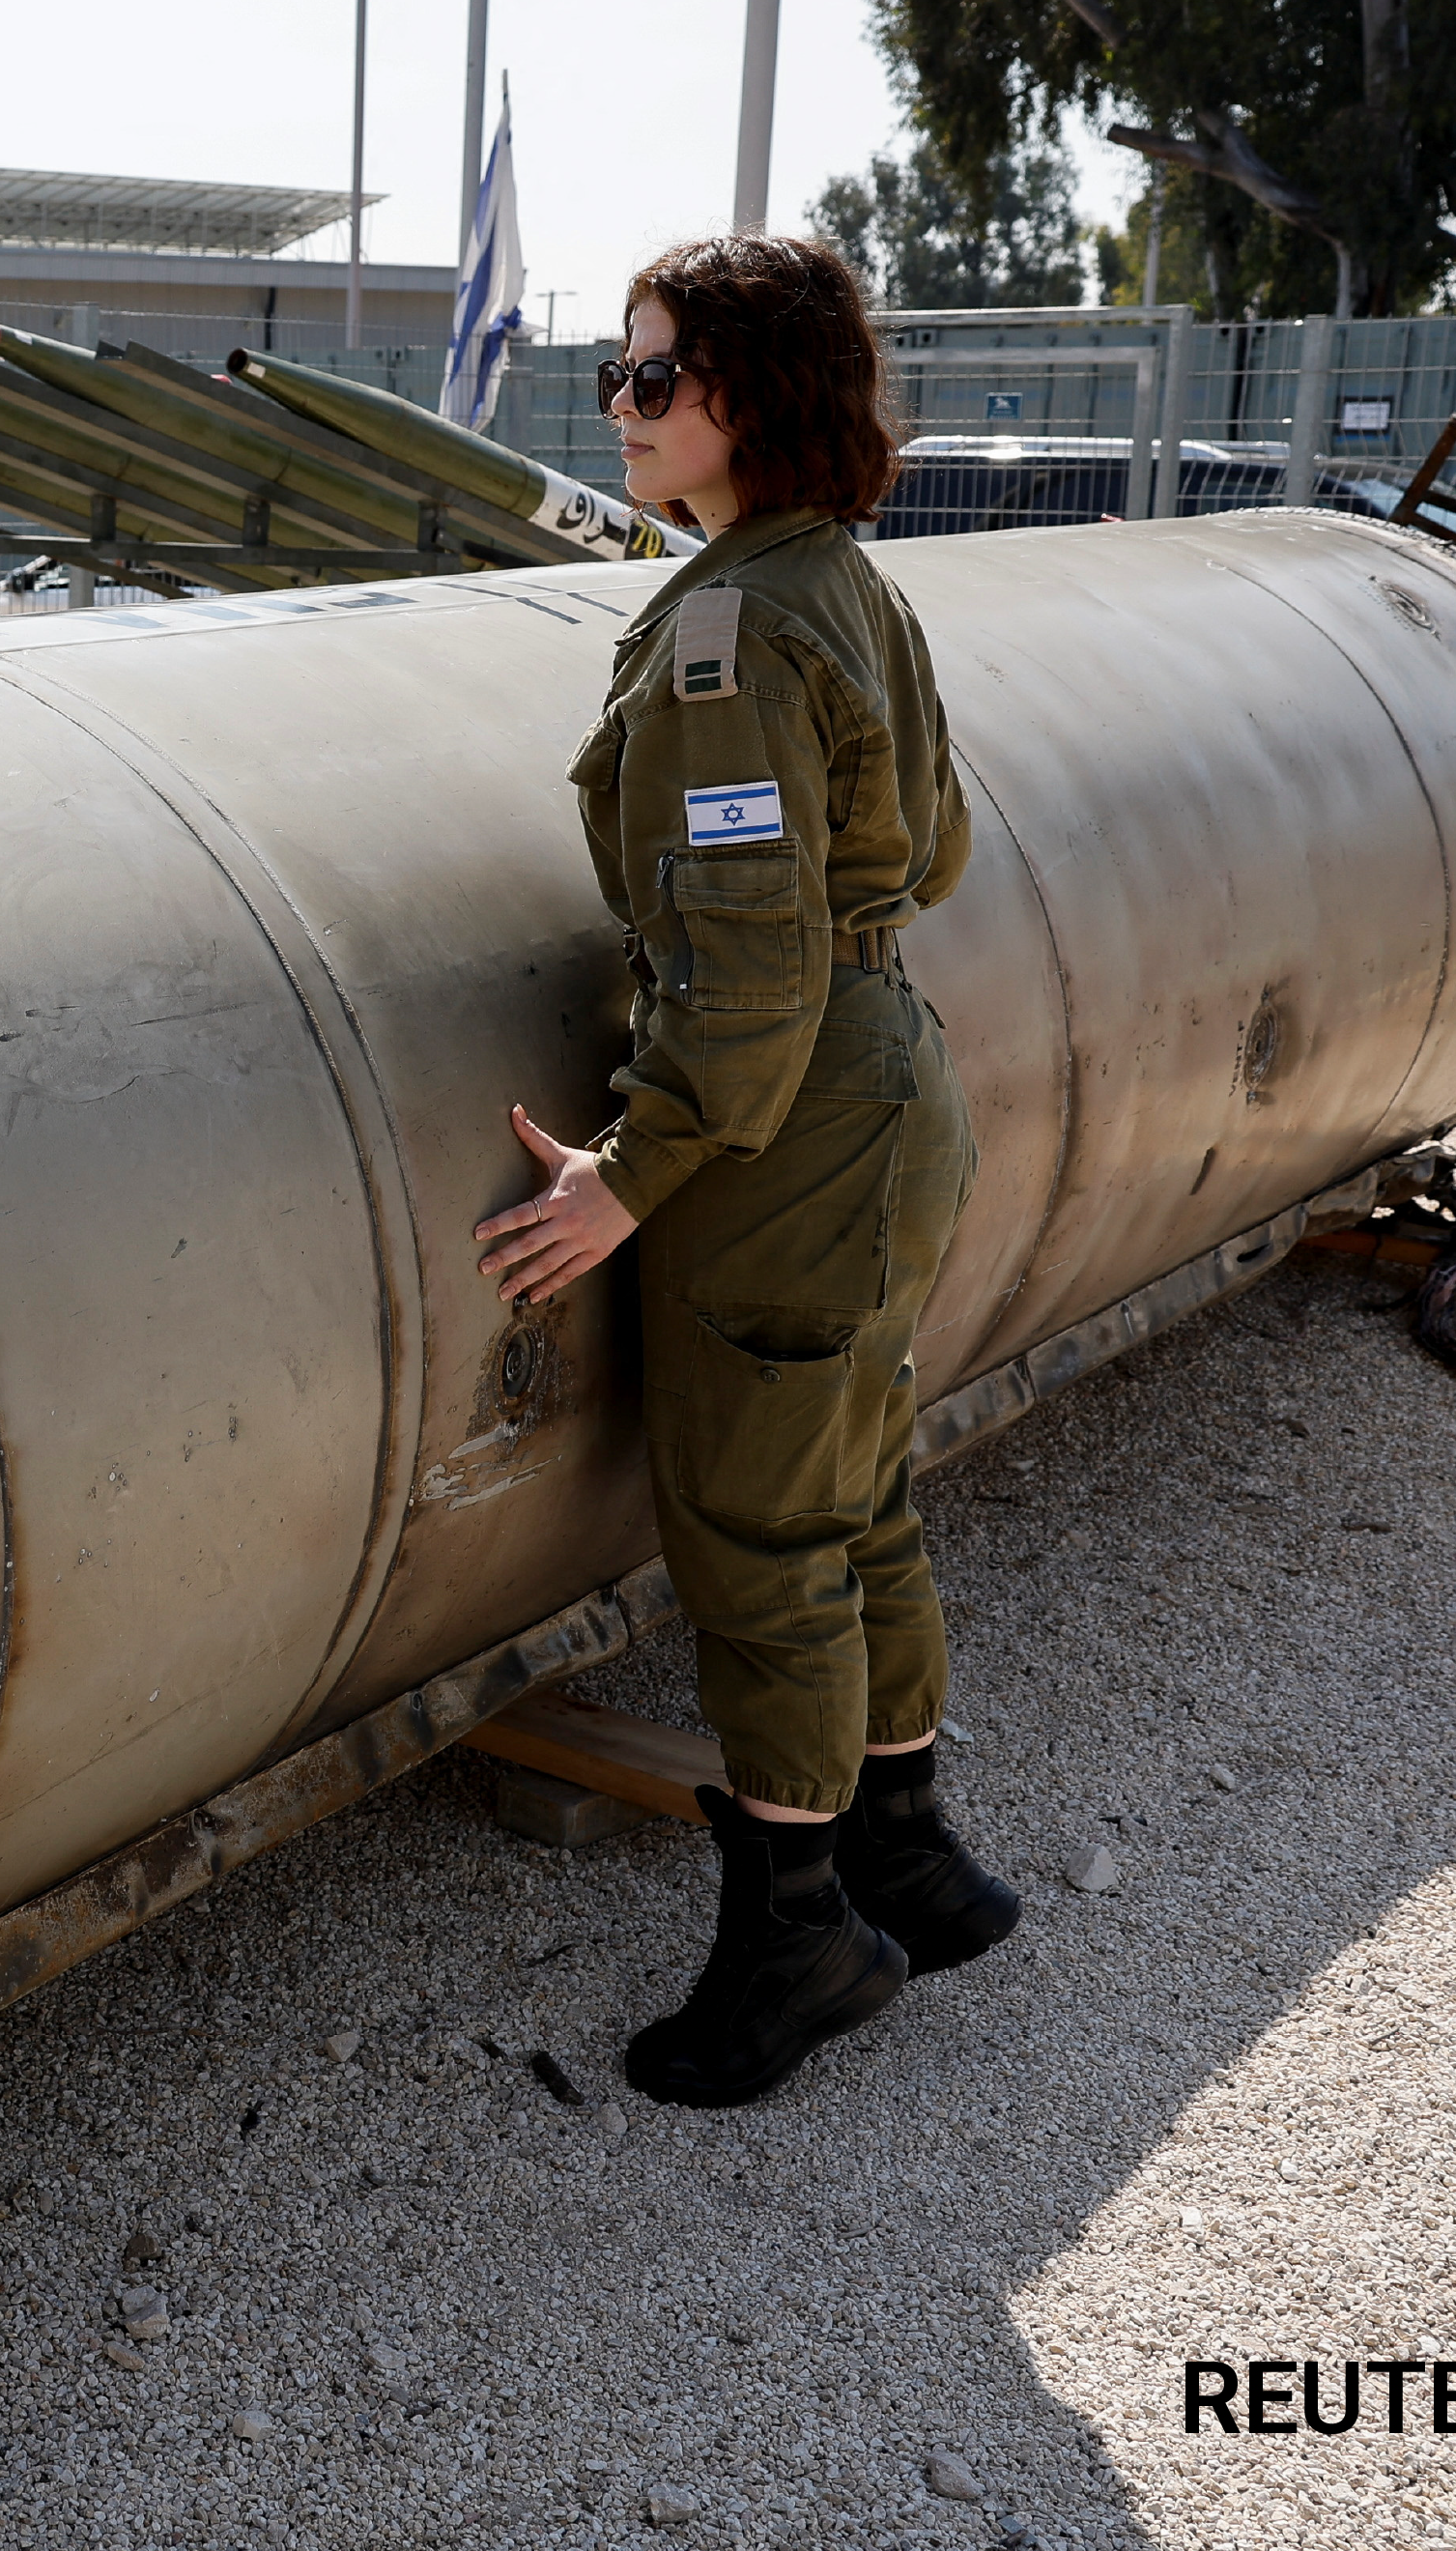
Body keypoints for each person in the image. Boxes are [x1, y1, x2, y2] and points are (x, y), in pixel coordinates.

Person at [470, 234, 1019, 2110]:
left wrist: (624, 1176)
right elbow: (927, 853)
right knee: (855, 1483)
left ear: (739, 397)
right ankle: (908, 1854)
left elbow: (748, 970)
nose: (612, 409)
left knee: (762, 1533)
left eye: (642, 378)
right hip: (886, 1088)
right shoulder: (845, 587)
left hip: (784, 1127)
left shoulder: (719, 639)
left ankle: (796, 1942)